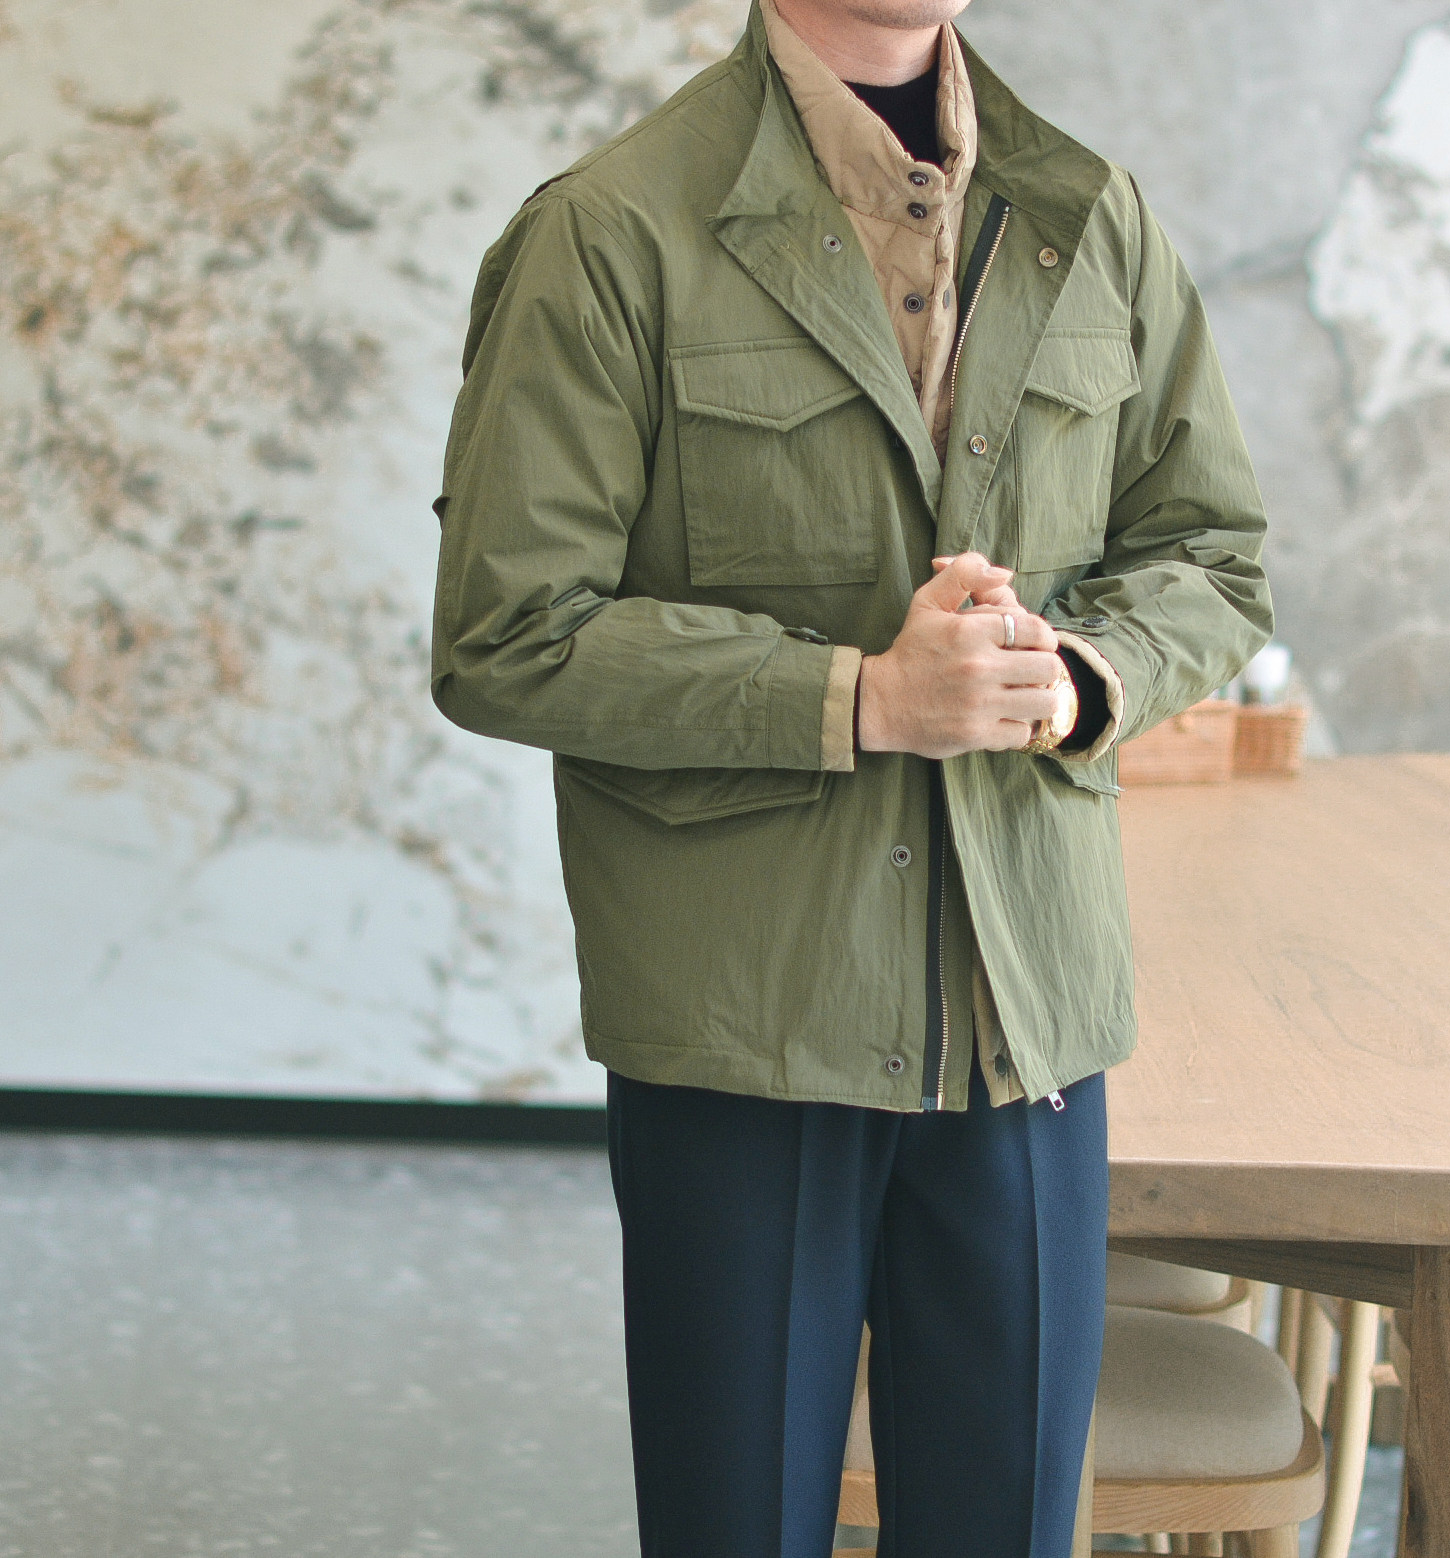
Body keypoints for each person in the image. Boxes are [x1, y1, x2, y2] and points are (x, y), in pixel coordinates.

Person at [430, 0, 1271, 1551]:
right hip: (747, 1013)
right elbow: (507, 633)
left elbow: (1210, 552)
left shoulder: (1086, 210)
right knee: (736, 1516)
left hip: (1024, 1002)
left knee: (1006, 1524)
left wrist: (1077, 674)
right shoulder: (611, 229)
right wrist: (864, 696)